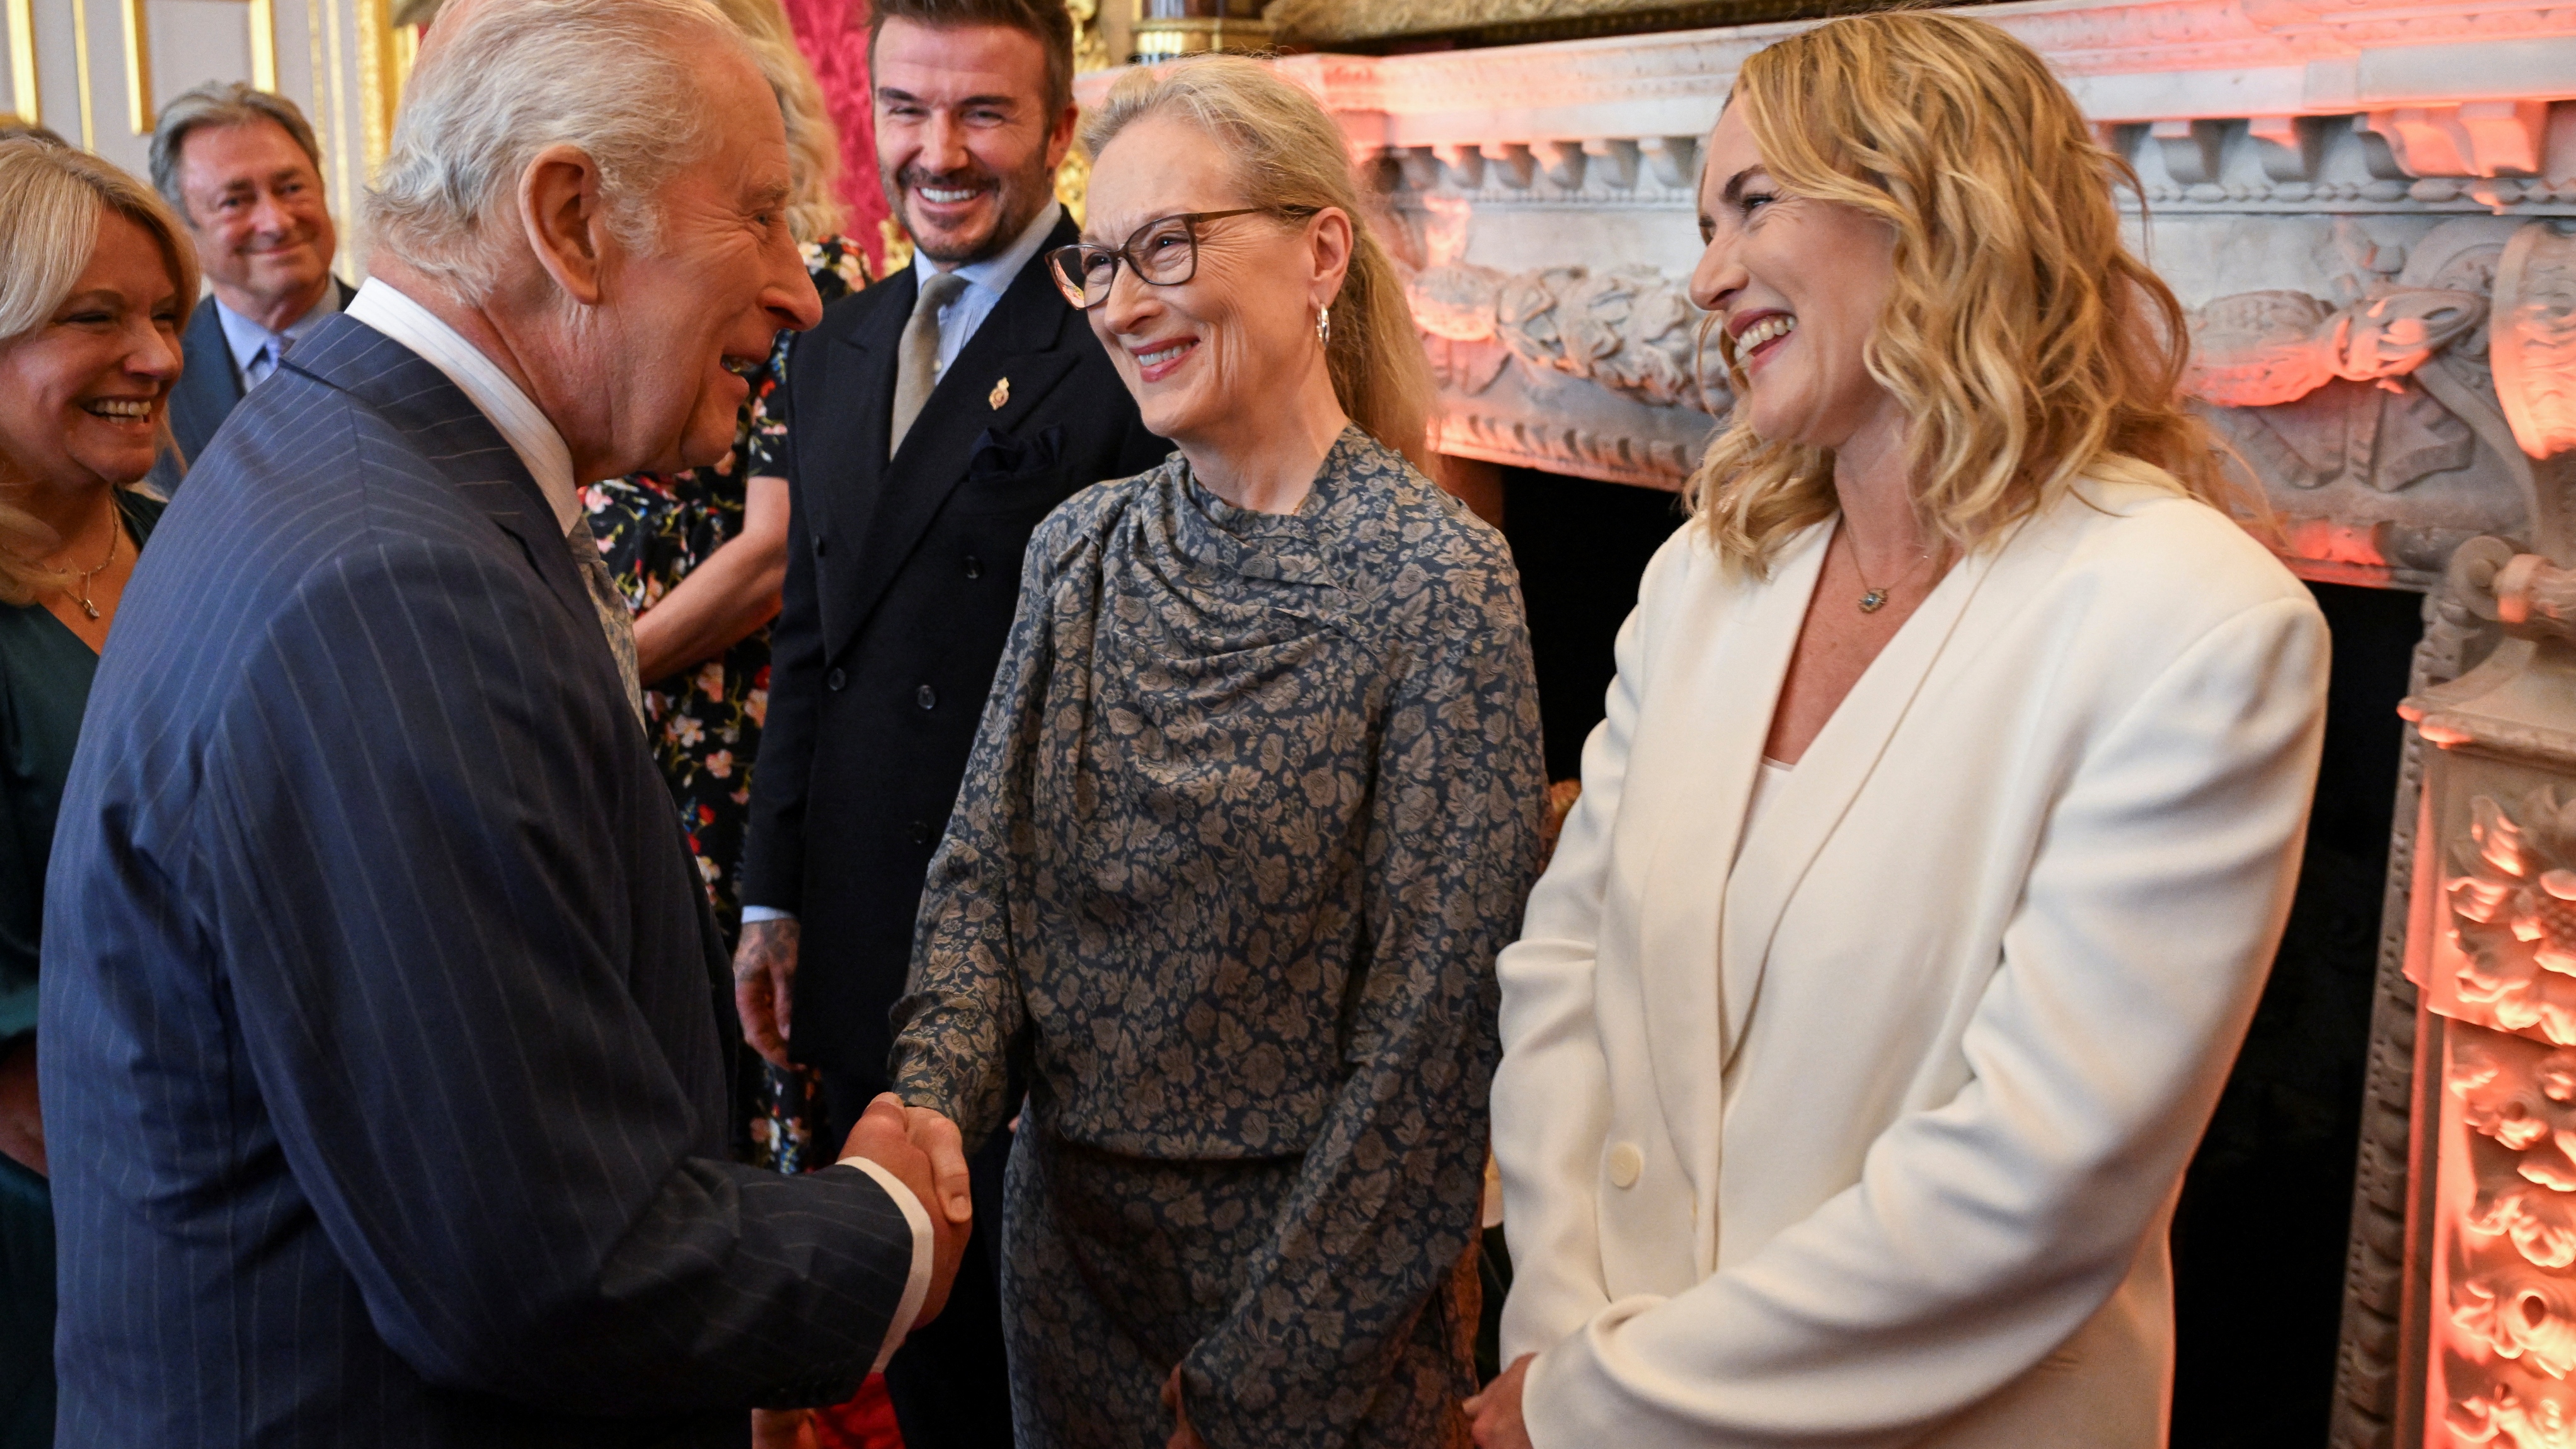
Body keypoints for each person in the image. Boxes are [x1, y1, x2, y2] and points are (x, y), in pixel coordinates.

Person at [37, 3, 975, 1445]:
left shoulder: (371, 463)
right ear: (572, 218)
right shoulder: (392, 582)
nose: (801, 292)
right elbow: (545, 1271)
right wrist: (888, 1229)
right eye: (763, 217)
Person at [1469, 14, 2332, 1449]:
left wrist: (1611, 1401)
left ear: (1938, 205)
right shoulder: (1703, 580)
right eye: (1701, 221)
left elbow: (2033, 1184)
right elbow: (1566, 969)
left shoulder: (2195, 623)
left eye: (1755, 205)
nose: (1704, 274)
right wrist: (1562, 1338)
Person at [888, 54, 1546, 1449]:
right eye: (1100, 262)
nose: (1120, 304)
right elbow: (977, 888)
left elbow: (1432, 1043)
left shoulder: (1439, 582)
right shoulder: (1079, 552)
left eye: (1166, 248)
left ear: (1320, 253)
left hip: (1318, 1309)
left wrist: (1258, 1379)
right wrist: (931, 1112)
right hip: (1066, 1275)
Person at [733, 0, 1164, 1441]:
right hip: (860, 916)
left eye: (982, 112)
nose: (940, 149)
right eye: (908, 107)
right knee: (918, 1337)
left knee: (1031, 1365)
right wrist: (773, 894)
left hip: (1045, 963)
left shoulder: (1120, 342)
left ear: (1059, 129)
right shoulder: (840, 338)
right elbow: (811, 637)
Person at [582, 0, 868, 1157]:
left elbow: (768, 560)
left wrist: (605, 668)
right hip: (634, 718)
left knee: (738, 1047)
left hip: (717, 720)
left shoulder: (817, 287)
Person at [0, 138, 192, 1449]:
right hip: (45, 1223)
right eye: (97, 318)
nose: (161, 357)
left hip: (228, 1186)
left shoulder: (191, 547)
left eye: (166, 315)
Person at [144, 83, 348, 491]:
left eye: (292, 189)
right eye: (235, 201)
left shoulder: (412, 343)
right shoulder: (152, 378)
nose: (276, 222)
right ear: (182, 229)